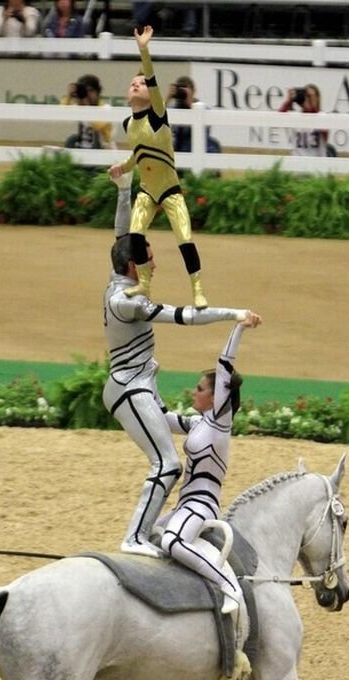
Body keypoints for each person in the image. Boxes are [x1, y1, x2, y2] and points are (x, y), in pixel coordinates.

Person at [103, 174, 258, 558]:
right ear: (133, 267)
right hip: (129, 389)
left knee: (169, 458)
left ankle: (155, 528)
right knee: (168, 464)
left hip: (143, 384)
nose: (154, 259)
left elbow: (123, 239)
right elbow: (186, 316)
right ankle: (135, 536)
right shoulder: (128, 302)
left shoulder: (120, 274)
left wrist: (124, 192)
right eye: (148, 257)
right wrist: (234, 313)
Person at [155, 314, 261, 614]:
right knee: (149, 536)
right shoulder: (199, 424)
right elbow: (162, 418)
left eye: (200, 388)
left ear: (217, 396)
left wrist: (239, 326)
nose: (194, 391)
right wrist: (146, 381)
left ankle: (228, 585)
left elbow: (225, 363)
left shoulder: (220, 423)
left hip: (201, 505)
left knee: (173, 542)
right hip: (183, 504)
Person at [107, 26, 208, 310]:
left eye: (141, 84)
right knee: (136, 235)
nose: (136, 85)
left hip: (170, 190)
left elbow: (151, 78)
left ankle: (197, 288)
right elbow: (140, 154)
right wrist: (123, 165)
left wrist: (143, 50)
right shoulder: (129, 124)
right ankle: (144, 283)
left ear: (153, 96)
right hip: (148, 190)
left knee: (184, 238)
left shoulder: (158, 116)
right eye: (131, 84)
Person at [166, 75, 221, 155]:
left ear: (193, 90)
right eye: (179, 88)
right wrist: (168, 97)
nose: (182, 91)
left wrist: (189, 102)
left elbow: (206, 129)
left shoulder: (202, 108)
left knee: (215, 146)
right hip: (179, 143)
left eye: (184, 87)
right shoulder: (174, 108)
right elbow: (157, 117)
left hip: (200, 143)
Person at [61, 74, 115, 150]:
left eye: (91, 90)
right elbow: (62, 114)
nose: (88, 94)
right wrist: (69, 96)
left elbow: (97, 126)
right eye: (85, 91)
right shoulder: (80, 107)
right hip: (82, 148)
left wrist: (86, 105)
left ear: (98, 92)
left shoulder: (105, 108)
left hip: (104, 150)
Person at [278, 84, 328, 157]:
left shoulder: (323, 116)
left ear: (317, 98)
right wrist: (288, 101)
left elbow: (325, 136)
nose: (307, 98)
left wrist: (312, 107)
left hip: (317, 160)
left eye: (310, 96)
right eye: (305, 95)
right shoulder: (295, 116)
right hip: (297, 160)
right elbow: (277, 119)